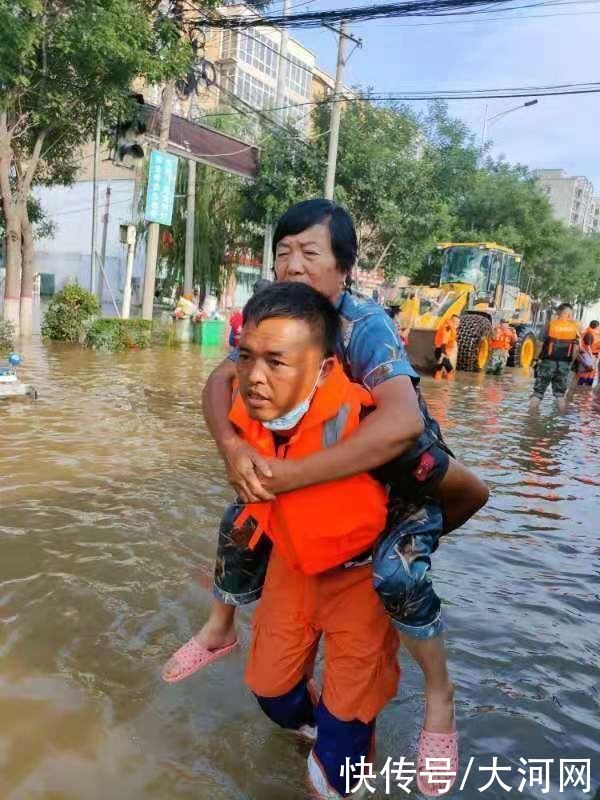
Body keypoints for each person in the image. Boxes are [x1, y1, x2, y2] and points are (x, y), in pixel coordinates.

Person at [162, 200, 488, 795]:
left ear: (345, 268)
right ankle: (221, 627)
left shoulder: (361, 326)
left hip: (390, 479)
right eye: (283, 251)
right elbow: (220, 381)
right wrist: (233, 451)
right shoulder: (279, 314)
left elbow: (402, 426)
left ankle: (437, 699)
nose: (292, 264)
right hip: (306, 526)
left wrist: (293, 476)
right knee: (240, 519)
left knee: (398, 574)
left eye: (309, 253)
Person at [232, 282, 400, 798]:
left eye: (277, 362)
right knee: (271, 694)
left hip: (360, 580)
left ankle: (342, 741)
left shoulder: (371, 421)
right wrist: (226, 444)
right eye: (246, 357)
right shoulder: (245, 403)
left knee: (335, 764)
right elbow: (215, 395)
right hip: (295, 566)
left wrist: (407, 567)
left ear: (324, 368)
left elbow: (465, 490)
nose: (255, 377)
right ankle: (316, 722)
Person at [530, 303, 579, 412]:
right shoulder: (574, 328)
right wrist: (570, 363)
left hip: (547, 363)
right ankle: (560, 421)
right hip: (564, 364)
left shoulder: (549, 325)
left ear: (558, 313)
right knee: (560, 395)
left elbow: (539, 344)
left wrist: (535, 359)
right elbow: (576, 349)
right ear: (569, 314)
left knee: (537, 393)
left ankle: (531, 421)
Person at [433, 315, 459, 381]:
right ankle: (449, 386)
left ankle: (437, 385)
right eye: (454, 321)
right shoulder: (447, 328)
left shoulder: (449, 328)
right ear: (451, 321)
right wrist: (443, 354)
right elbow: (444, 341)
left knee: (440, 369)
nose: (456, 324)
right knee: (449, 370)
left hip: (441, 351)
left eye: (458, 322)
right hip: (441, 351)